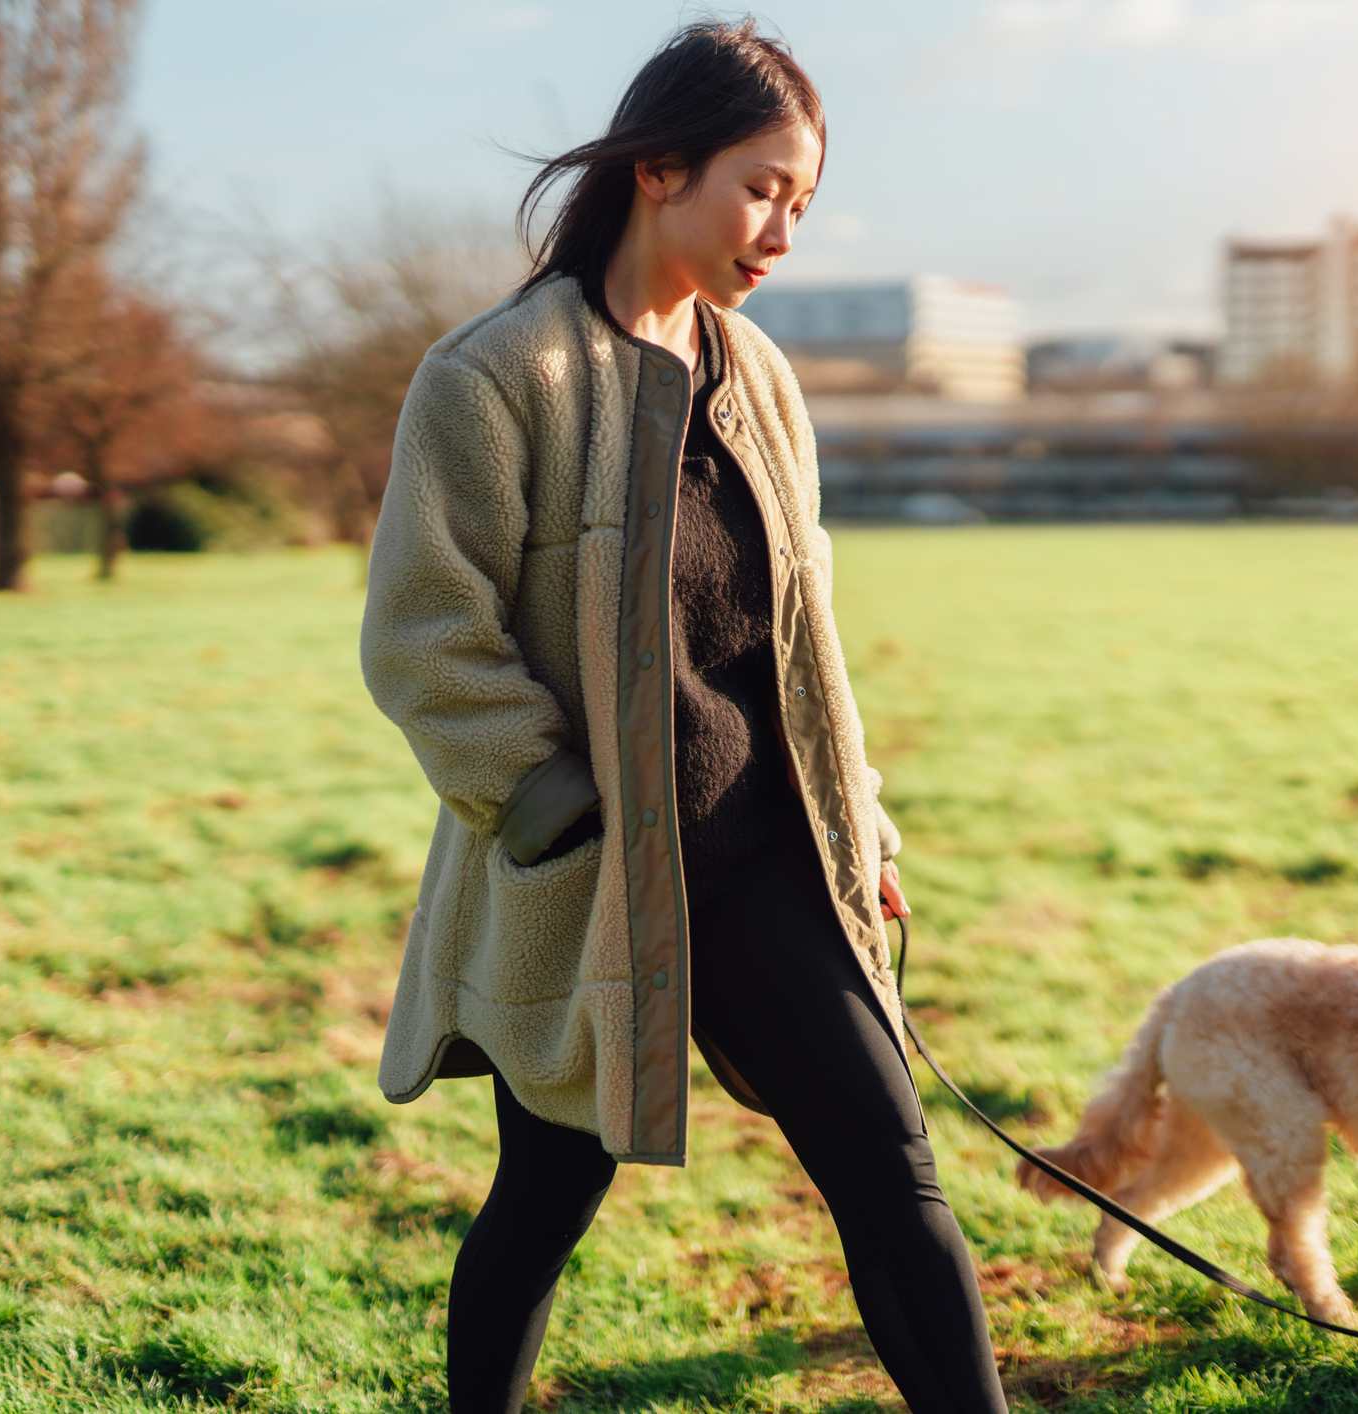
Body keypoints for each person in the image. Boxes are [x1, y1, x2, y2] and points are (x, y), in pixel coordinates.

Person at [356, 16, 1009, 1413]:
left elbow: (803, 635)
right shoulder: (491, 377)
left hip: (772, 868)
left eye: (802, 201)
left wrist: (861, 820)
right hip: (592, 882)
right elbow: (424, 634)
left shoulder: (760, 377)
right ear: (658, 167)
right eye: (760, 186)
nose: (780, 228)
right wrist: (552, 804)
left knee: (896, 1182)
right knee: (541, 1199)